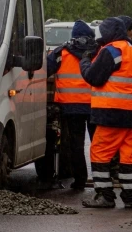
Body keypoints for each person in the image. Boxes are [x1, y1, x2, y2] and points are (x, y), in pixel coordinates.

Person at [79, 17, 132, 209]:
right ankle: (130, 198)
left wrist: (85, 61)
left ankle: (105, 196)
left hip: (111, 113)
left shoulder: (111, 51)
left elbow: (93, 77)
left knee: (99, 153)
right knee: (127, 157)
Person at [47, 20, 99, 190]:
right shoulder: (98, 51)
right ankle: (101, 180)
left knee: (76, 145)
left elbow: (45, 69)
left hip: (71, 107)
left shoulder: (62, 52)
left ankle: (80, 180)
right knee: (98, 145)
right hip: (95, 105)